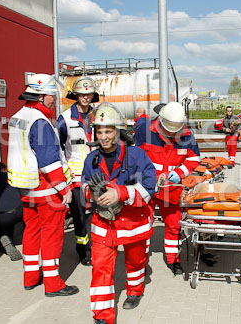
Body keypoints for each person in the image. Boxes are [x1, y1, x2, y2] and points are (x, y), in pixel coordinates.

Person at [82, 103, 156, 324]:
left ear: (118, 131)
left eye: (108, 131)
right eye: (99, 131)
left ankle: (135, 291)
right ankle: (103, 317)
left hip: (133, 223)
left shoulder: (136, 155)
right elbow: (84, 186)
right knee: (100, 269)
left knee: (135, 262)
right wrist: (93, 195)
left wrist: (120, 194)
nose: (103, 137)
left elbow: (149, 188)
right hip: (104, 224)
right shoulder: (91, 159)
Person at [7, 73, 78, 296]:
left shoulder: (18, 116)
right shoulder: (40, 120)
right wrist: (64, 189)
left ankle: (30, 277)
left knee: (31, 231)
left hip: (26, 188)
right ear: (41, 96)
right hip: (46, 189)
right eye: (51, 96)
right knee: (52, 235)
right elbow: (49, 160)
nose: (54, 100)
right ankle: (53, 283)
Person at [134, 102, 201, 275]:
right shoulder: (145, 131)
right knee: (143, 223)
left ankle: (174, 260)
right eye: (168, 129)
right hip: (147, 186)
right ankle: (139, 261)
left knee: (173, 224)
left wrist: (180, 172)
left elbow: (194, 159)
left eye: (175, 129)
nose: (171, 133)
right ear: (161, 120)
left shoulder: (187, 136)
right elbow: (134, 156)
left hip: (171, 188)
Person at [56, 76, 98, 266]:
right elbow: (58, 150)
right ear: (76, 95)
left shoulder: (99, 115)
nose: (85, 97)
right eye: (82, 94)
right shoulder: (65, 118)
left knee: (98, 214)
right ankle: (83, 250)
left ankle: (99, 247)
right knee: (80, 218)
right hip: (75, 177)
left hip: (97, 176)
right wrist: (66, 175)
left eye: (88, 94)